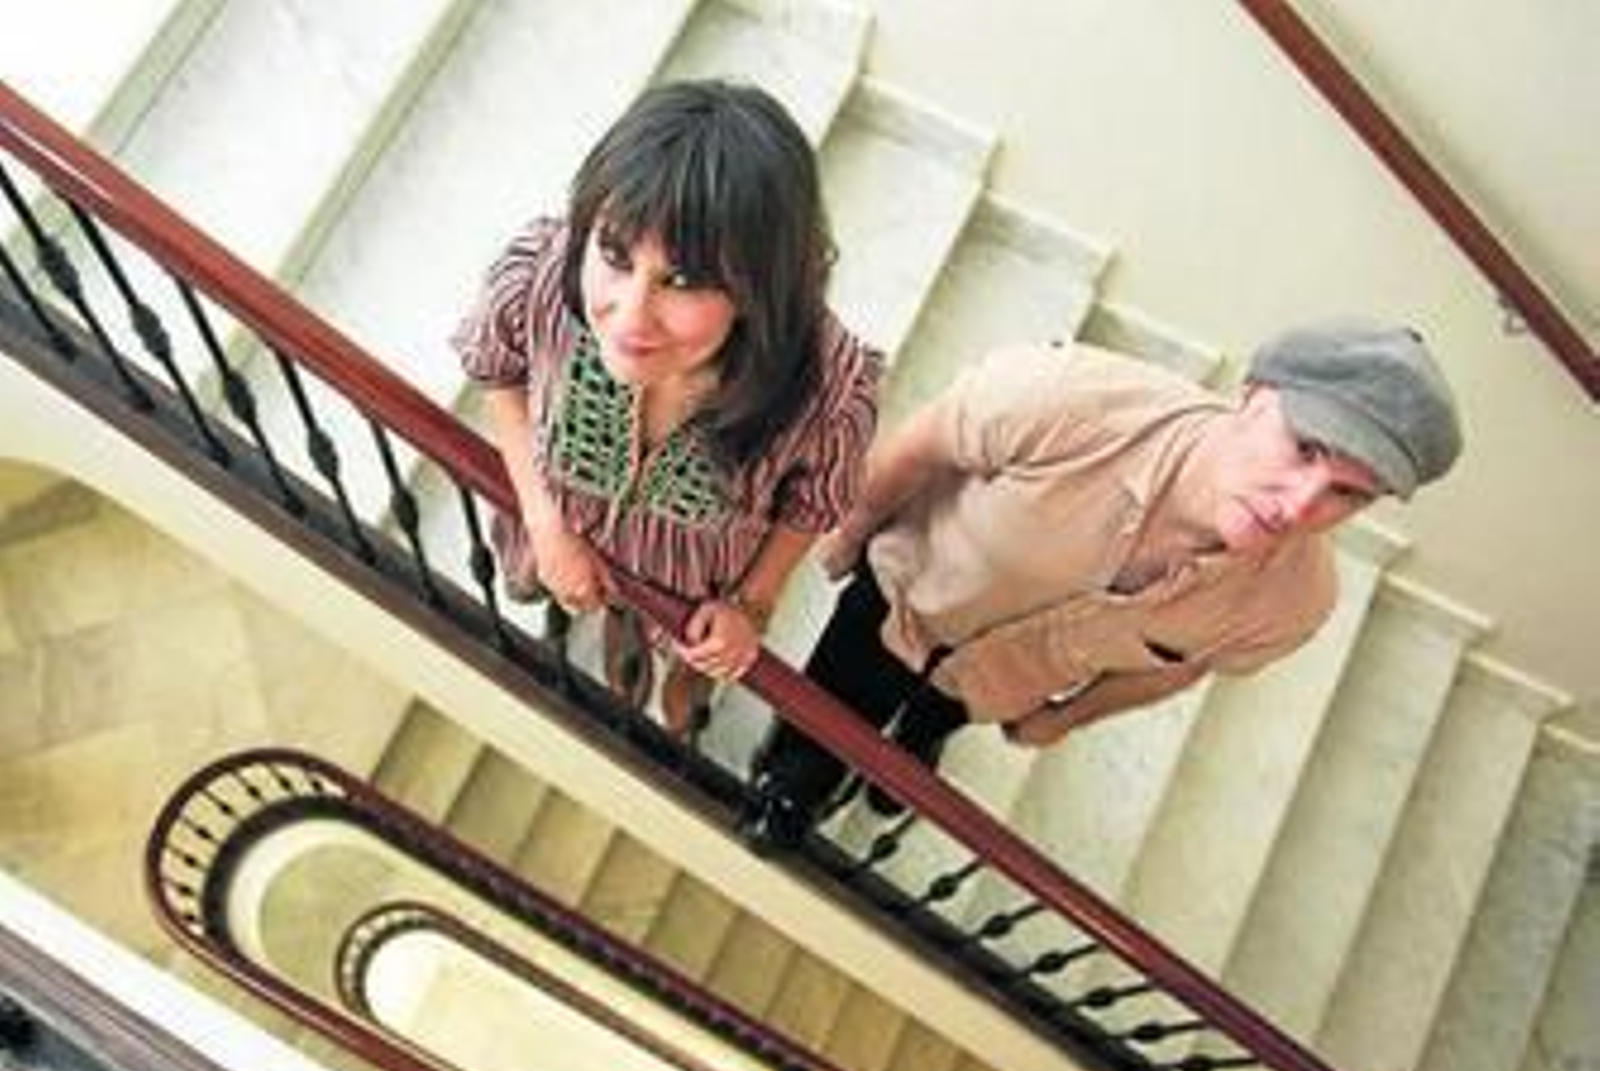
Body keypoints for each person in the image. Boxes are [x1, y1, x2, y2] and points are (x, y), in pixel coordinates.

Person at [745, 318, 1463, 846]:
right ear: (1253, 395)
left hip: (1001, 682)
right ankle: (795, 776)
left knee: (940, 713)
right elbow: (924, 440)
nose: (1301, 505)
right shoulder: (1063, 396)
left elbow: (1181, 670)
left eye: (1347, 493)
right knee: (828, 711)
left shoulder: (1294, 606)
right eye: (1305, 448)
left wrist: (1067, 716)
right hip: (903, 602)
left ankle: (919, 739)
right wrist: (847, 534)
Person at [452, 80, 882, 734]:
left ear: (759, 285)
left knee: (686, 657)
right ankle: (615, 627)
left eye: (681, 280)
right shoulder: (543, 271)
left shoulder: (828, 389)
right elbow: (498, 371)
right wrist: (544, 520)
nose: (629, 316)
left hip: (688, 591)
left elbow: (809, 506)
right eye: (615, 256)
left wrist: (751, 606)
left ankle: (668, 667)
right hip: (565, 524)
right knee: (560, 592)